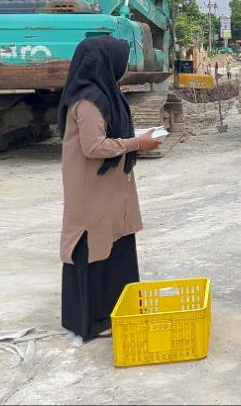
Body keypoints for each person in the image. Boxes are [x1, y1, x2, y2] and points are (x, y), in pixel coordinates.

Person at [58, 36, 162, 341]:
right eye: (121, 60)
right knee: (94, 248)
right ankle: (94, 320)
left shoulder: (103, 94)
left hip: (109, 187)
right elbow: (93, 146)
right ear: (104, 63)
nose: (124, 67)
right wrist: (137, 142)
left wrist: (136, 138)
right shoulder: (89, 101)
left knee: (116, 245)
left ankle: (117, 313)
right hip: (92, 190)